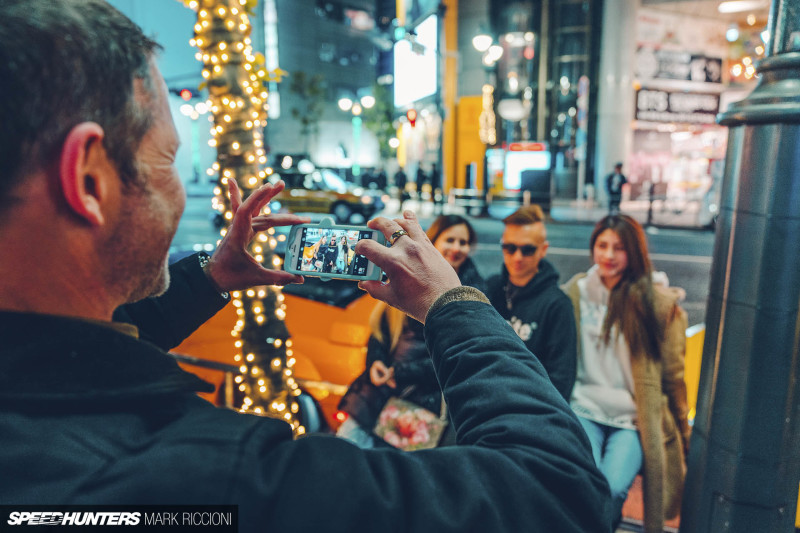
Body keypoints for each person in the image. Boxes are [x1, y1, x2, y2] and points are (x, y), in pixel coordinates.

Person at [0, 2, 612, 531]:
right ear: (88, 179)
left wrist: (208, 277)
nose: (184, 192)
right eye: (167, 160)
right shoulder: (221, 480)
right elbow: (558, 493)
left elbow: (64, 359)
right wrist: (452, 306)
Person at [562, 214, 691, 533]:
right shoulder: (576, 292)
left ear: (634, 253)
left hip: (632, 419)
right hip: (583, 408)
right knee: (584, 484)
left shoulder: (657, 303)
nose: (608, 255)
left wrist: (682, 428)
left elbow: (673, 375)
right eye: (602, 246)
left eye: (618, 248)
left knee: (614, 486)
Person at [337, 215, 486, 449]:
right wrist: (376, 362)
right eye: (450, 240)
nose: (457, 248)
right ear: (432, 242)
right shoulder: (408, 276)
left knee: (393, 476)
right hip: (375, 396)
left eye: (463, 242)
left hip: (418, 405)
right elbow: (381, 331)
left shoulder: (472, 292)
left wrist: (400, 372)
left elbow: (457, 357)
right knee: (346, 458)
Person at [486, 205, 577, 400]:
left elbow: (561, 380)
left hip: (531, 408)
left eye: (527, 250)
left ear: (543, 250)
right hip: (486, 399)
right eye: (509, 248)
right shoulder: (490, 289)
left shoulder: (557, 305)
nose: (517, 257)